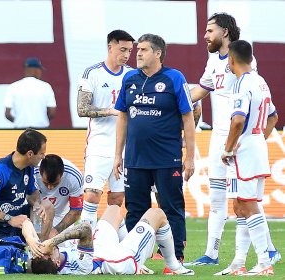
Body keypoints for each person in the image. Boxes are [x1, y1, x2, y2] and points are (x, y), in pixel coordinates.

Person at [186, 12, 281, 266]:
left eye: (210, 31)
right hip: (218, 139)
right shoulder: (212, 62)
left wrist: (253, 140)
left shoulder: (243, 63)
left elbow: (255, 107)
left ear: (224, 32)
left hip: (237, 141)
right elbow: (200, 91)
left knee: (243, 201)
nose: (205, 36)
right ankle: (212, 254)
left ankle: (263, 252)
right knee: (219, 200)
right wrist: (177, 101)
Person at [113, 33, 195, 271]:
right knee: (135, 210)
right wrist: (118, 154)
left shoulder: (174, 78)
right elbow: (123, 117)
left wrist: (189, 157)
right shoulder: (129, 79)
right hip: (135, 159)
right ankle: (135, 260)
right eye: (138, 49)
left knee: (171, 207)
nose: (137, 53)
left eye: (144, 50)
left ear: (158, 54)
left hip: (166, 158)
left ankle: (175, 258)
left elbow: (188, 118)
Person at [215, 40, 277, 276]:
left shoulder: (242, 84)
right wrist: (258, 138)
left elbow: (238, 120)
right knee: (240, 205)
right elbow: (273, 117)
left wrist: (228, 149)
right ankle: (239, 262)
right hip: (256, 144)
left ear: (231, 59)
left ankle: (264, 262)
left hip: (245, 150)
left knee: (248, 204)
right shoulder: (261, 82)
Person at [23, 205, 194, 275]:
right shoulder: (79, 266)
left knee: (113, 209)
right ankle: (173, 265)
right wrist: (52, 242)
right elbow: (85, 229)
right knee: (157, 214)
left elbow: (25, 222)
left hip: (101, 248)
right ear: (52, 259)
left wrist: (31, 239)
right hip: (123, 259)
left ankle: (134, 246)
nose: (41, 250)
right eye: (43, 253)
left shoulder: (51, 261)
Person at [77, 30, 134, 232]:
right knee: (92, 195)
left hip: (125, 148)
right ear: (110, 47)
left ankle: (109, 245)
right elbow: (82, 109)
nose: (126, 55)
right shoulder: (92, 73)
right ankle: (84, 247)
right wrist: (111, 111)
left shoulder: (131, 75)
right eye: (122, 49)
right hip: (99, 145)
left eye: (129, 50)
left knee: (117, 199)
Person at [0, 129, 53, 240]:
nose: (43, 157)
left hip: (13, 225)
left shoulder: (29, 168)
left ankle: (38, 252)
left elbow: (33, 193)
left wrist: (37, 204)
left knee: (47, 206)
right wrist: (9, 218)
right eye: (41, 153)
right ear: (30, 154)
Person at [33, 154, 84, 239]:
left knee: (59, 247)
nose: (50, 188)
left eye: (55, 184)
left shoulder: (74, 177)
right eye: (46, 183)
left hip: (61, 217)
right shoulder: (32, 172)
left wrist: (56, 230)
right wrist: (36, 232)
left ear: (62, 174)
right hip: (36, 212)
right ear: (40, 172)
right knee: (36, 240)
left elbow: (76, 211)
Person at [4, 57, 56, 128]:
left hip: (20, 129)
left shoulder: (13, 87)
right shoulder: (46, 87)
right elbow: (52, 113)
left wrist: (19, 121)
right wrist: (41, 120)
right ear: (36, 70)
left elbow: (7, 114)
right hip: (41, 129)